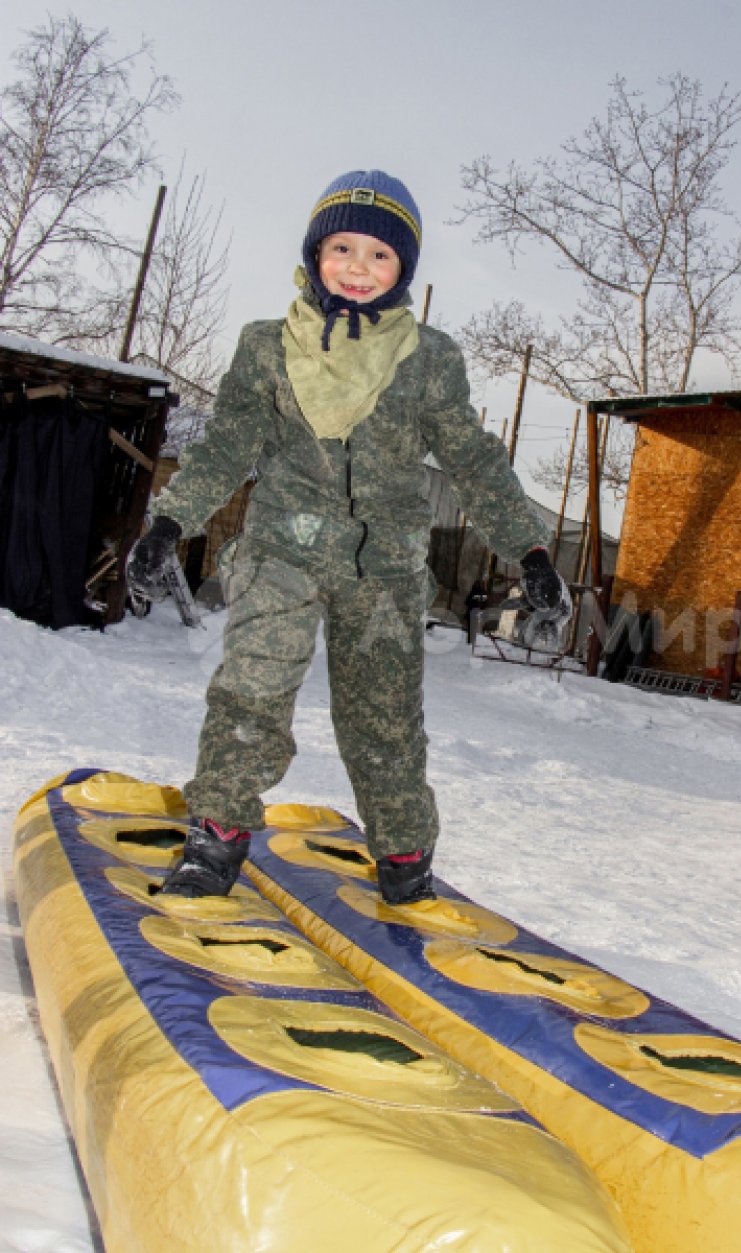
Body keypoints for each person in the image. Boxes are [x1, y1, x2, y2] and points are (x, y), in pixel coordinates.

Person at [128, 169, 568, 906]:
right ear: (314, 253)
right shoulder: (267, 347)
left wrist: (530, 550)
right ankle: (215, 839)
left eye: (379, 255)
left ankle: (404, 858)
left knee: (384, 722)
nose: (358, 268)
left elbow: (472, 458)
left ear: (403, 270)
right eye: (342, 248)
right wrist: (172, 521)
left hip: (386, 567)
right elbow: (226, 445)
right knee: (251, 691)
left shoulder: (429, 359)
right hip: (282, 554)